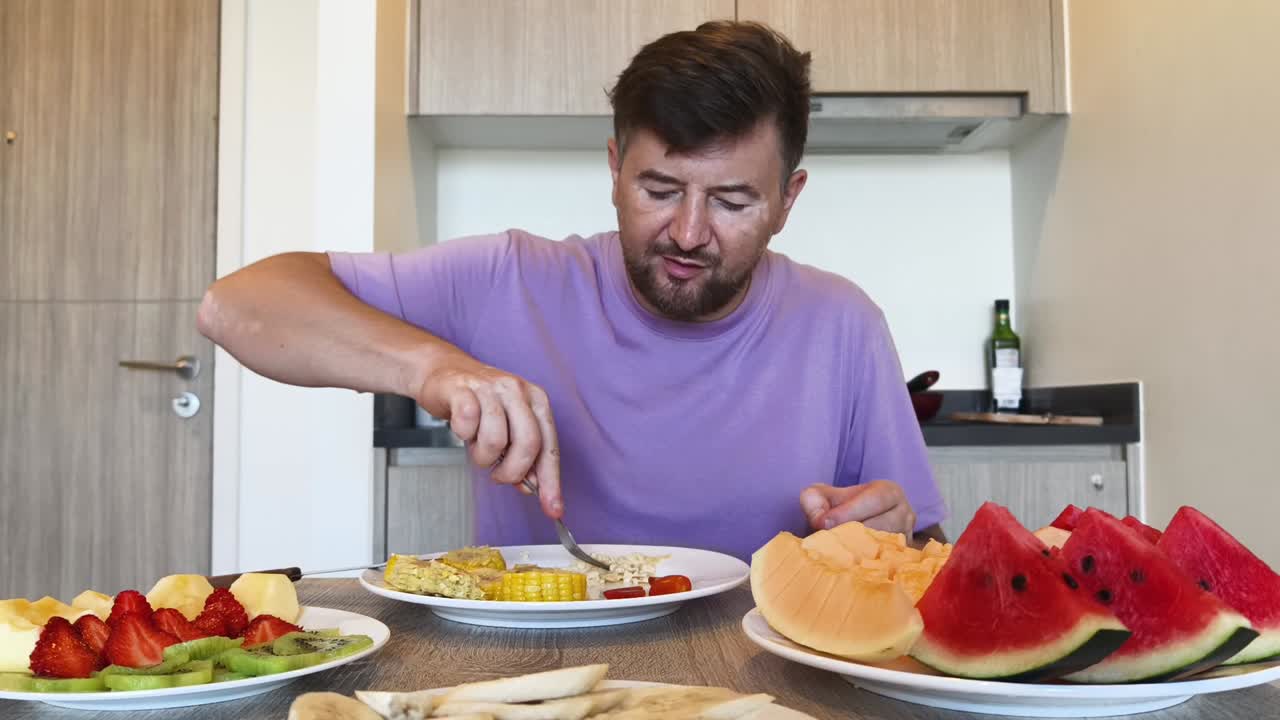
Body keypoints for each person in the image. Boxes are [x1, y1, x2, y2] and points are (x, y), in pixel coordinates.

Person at [197, 20, 948, 561]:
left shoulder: (843, 323)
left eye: (731, 201)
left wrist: (897, 543)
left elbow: (925, 550)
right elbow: (235, 304)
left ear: (788, 200)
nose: (689, 233)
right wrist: (435, 369)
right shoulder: (509, 279)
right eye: (659, 190)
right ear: (615, 169)